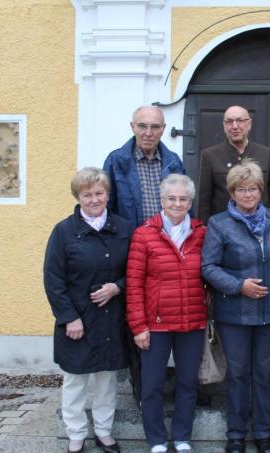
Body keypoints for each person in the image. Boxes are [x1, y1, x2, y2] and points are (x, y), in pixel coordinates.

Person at [201, 159, 270, 453]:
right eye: (242, 189)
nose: (248, 194)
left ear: (260, 191)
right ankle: (236, 434)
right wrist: (240, 285)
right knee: (238, 374)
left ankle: (264, 434)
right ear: (232, 193)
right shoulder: (219, 224)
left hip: (269, 313)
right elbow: (209, 267)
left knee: (264, 374)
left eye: (253, 188)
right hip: (234, 315)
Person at [43, 167, 132, 453]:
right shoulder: (64, 231)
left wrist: (117, 287)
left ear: (107, 195)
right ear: (78, 197)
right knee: (76, 381)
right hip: (78, 320)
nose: (94, 199)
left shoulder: (123, 228)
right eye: (87, 194)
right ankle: (76, 434)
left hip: (111, 318)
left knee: (107, 381)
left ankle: (104, 432)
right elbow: (53, 279)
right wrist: (69, 317)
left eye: (99, 193)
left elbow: (137, 270)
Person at [103, 105, 186, 404]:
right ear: (132, 127)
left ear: (163, 129)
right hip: (134, 250)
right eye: (143, 126)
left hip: (168, 250)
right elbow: (108, 210)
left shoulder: (174, 161)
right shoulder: (117, 162)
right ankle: (142, 390)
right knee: (138, 321)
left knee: (170, 317)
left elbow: (183, 204)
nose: (148, 132)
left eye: (155, 127)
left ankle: (175, 383)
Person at [126, 174, 207, 453]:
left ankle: (182, 436)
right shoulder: (144, 233)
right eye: (171, 198)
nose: (177, 203)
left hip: (192, 322)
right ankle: (157, 440)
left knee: (187, 383)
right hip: (155, 324)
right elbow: (134, 283)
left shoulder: (201, 233)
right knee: (151, 385)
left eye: (183, 199)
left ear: (190, 202)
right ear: (162, 200)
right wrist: (138, 325)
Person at [197, 105, 270, 223]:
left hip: (261, 226)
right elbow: (204, 202)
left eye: (240, 121)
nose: (235, 126)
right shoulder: (210, 155)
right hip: (224, 229)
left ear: (249, 124)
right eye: (230, 122)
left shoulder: (265, 153)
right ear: (224, 126)